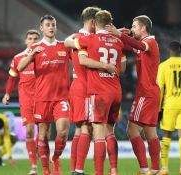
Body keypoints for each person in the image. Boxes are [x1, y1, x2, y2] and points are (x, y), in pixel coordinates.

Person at [70, 10, 126, 175]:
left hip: (99, 91)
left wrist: (102, 65)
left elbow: (78, 54)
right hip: (116, 90)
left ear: (95, 23)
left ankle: (98, 172)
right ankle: (114, 169)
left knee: (98, 132)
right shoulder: (118, 41)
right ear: (110, 23)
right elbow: (122, 68)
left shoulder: (89, 39)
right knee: (110, 130)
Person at [106, 15, 161, 175]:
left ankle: (144, 170)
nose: (132, 28)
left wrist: (119, 34)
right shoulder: (144, 44)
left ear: (143, 28)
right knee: (150, 132)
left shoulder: (150, 42)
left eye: (134, 26)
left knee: (132, 130)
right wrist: (116, 35)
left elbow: (137, 45)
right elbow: (128, 45)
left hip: (146, 94)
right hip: (151, 93)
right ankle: (156, 170)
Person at [17, 15, 71, 175]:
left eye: (53, 24)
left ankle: (55, 158)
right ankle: (46, 170)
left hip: (61, 97)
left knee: (63, 131)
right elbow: (20, 67)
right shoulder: (36, 48)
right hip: (42, 98)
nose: (51, 27)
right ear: (42, 28)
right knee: (44, 134)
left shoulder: (64, 46)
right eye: (47, 25)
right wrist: (32, 54)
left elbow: (80, 60)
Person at [67, 6, 101, 175]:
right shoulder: (87, 39)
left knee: (80, 130)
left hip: (76, 86)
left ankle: (74, 169)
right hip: (86, 87)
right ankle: (79, 170)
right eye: (99, 22)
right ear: (93, 21)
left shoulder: (76, 38)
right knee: (87, 128)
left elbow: (67, 43)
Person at [2, 29, 40, 175]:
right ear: (26, 41)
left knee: (43, 133)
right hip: (26, 98)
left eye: (36, 38)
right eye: (30, 38)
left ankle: (41, 152)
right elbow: (12, 78)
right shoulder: (18, 58)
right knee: (30, 131)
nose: (33, 41)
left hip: (43, 97)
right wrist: (7, 94)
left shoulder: (44, 56)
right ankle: (33, 167)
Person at [157, 41, 181, 175]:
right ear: (180, 51)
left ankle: (165, 168)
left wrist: (158, 108)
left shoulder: (163, 66)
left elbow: (160, 88)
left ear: (169, 50)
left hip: (169, 104)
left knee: (166, 135)